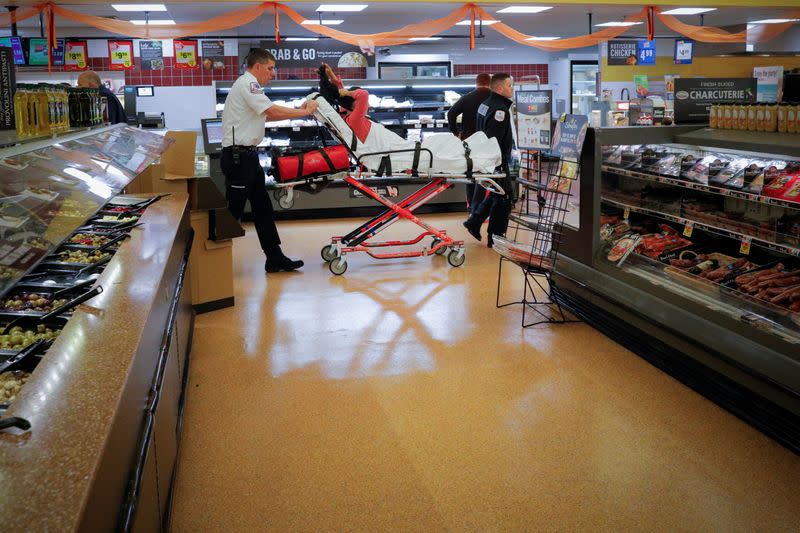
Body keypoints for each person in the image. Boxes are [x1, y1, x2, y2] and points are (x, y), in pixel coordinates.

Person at [221, 49, 319, 273]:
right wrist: (304, 112)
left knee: (262, 207)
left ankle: (274, 257)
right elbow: (271, 112)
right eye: (270, 68)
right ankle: (210, 258)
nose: (273, 73)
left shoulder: (250, 86)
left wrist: (299, 110)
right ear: (257, 67)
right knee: (231, 213)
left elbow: (268, 112)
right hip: (239, 158)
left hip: (248, 156)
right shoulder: (249, 84)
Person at [462, 73, 515, 248]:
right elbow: (495, 140)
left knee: (496, 193)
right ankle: (496, 238)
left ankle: (474, 222)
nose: (511, 89)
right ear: (500, 88)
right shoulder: (500, 110)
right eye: (509, 85)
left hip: (486, 158)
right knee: (505, 197)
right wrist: (499, 163)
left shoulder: (485, 105)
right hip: (496, 161)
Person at [447, 73, 491, 211]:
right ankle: (481, 208)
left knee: (470, 172)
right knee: (485, 174)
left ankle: (471, 206)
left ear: (476, 83)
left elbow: (451, 113)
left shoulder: (467, 98)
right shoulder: (493, 98)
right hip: (487, 142)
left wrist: (456, 132)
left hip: (469, 141)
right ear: (490, 83)